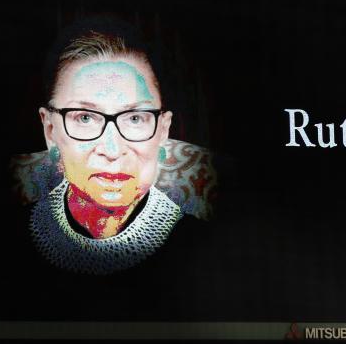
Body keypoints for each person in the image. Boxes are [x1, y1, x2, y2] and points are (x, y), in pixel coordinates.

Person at [24, 17, 214, 274]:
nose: (112, 150)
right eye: (85, 117)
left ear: (163, 129)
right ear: (50, 129)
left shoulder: (205, 248)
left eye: (135, 118)